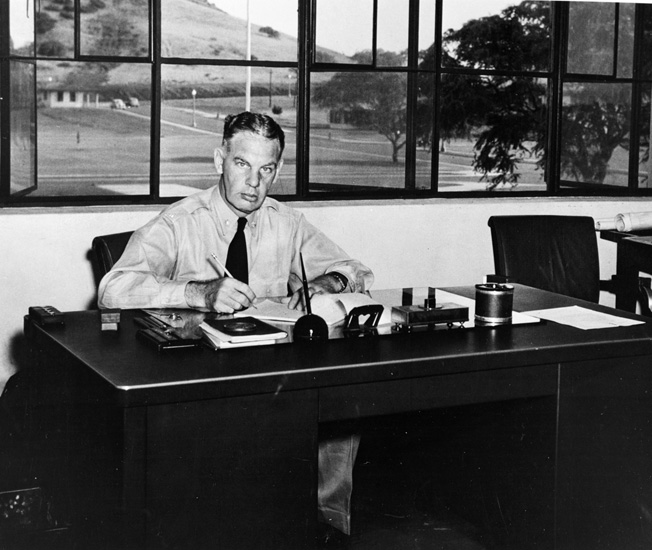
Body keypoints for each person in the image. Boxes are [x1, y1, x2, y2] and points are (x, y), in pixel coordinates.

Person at [98, 111, 374, 541]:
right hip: (201, 377)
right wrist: (198, 293)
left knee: (340, 401)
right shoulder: (180, 221)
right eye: (242, 164)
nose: (254, 183)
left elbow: (354, 268)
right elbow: (112, 289)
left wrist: (327, 280)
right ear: (219, 160)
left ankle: (325, 525)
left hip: (272, 371)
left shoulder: (287, 221)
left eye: (266, 170)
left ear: (277, 170)